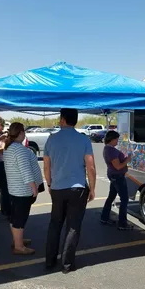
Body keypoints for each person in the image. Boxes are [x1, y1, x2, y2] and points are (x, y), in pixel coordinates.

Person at [43, 108, 96, 274]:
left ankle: (49, 261)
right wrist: (92, 188)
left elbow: (46, 166)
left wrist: (50, 184)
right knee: (73, 226)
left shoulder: (51, 139)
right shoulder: (83, 139)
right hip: (77, 189)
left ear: (63, 119)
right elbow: (91, 166)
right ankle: (67, 265)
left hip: (58, 188)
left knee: (55, 224)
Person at [3, 122, 44, 255]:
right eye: (24, 132)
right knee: (20, 219)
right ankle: (19, 246)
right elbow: (25, 170)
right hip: (22, 190)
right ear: (20, 133)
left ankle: (17, 241)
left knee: (15, 217)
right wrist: (34, 187)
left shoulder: (9, 147)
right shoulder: (19, 149)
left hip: (15, 189)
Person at [101, 130, 134, 230]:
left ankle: (104, 217)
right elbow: (118, 166)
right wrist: (127, 160)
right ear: (112, 139)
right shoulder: (111, 151)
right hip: (117, 176)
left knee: (111, 196)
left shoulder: (108, 149)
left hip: (113, 175)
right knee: (124, 199)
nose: (117, 141)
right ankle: (122, 223)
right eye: (116, 139)